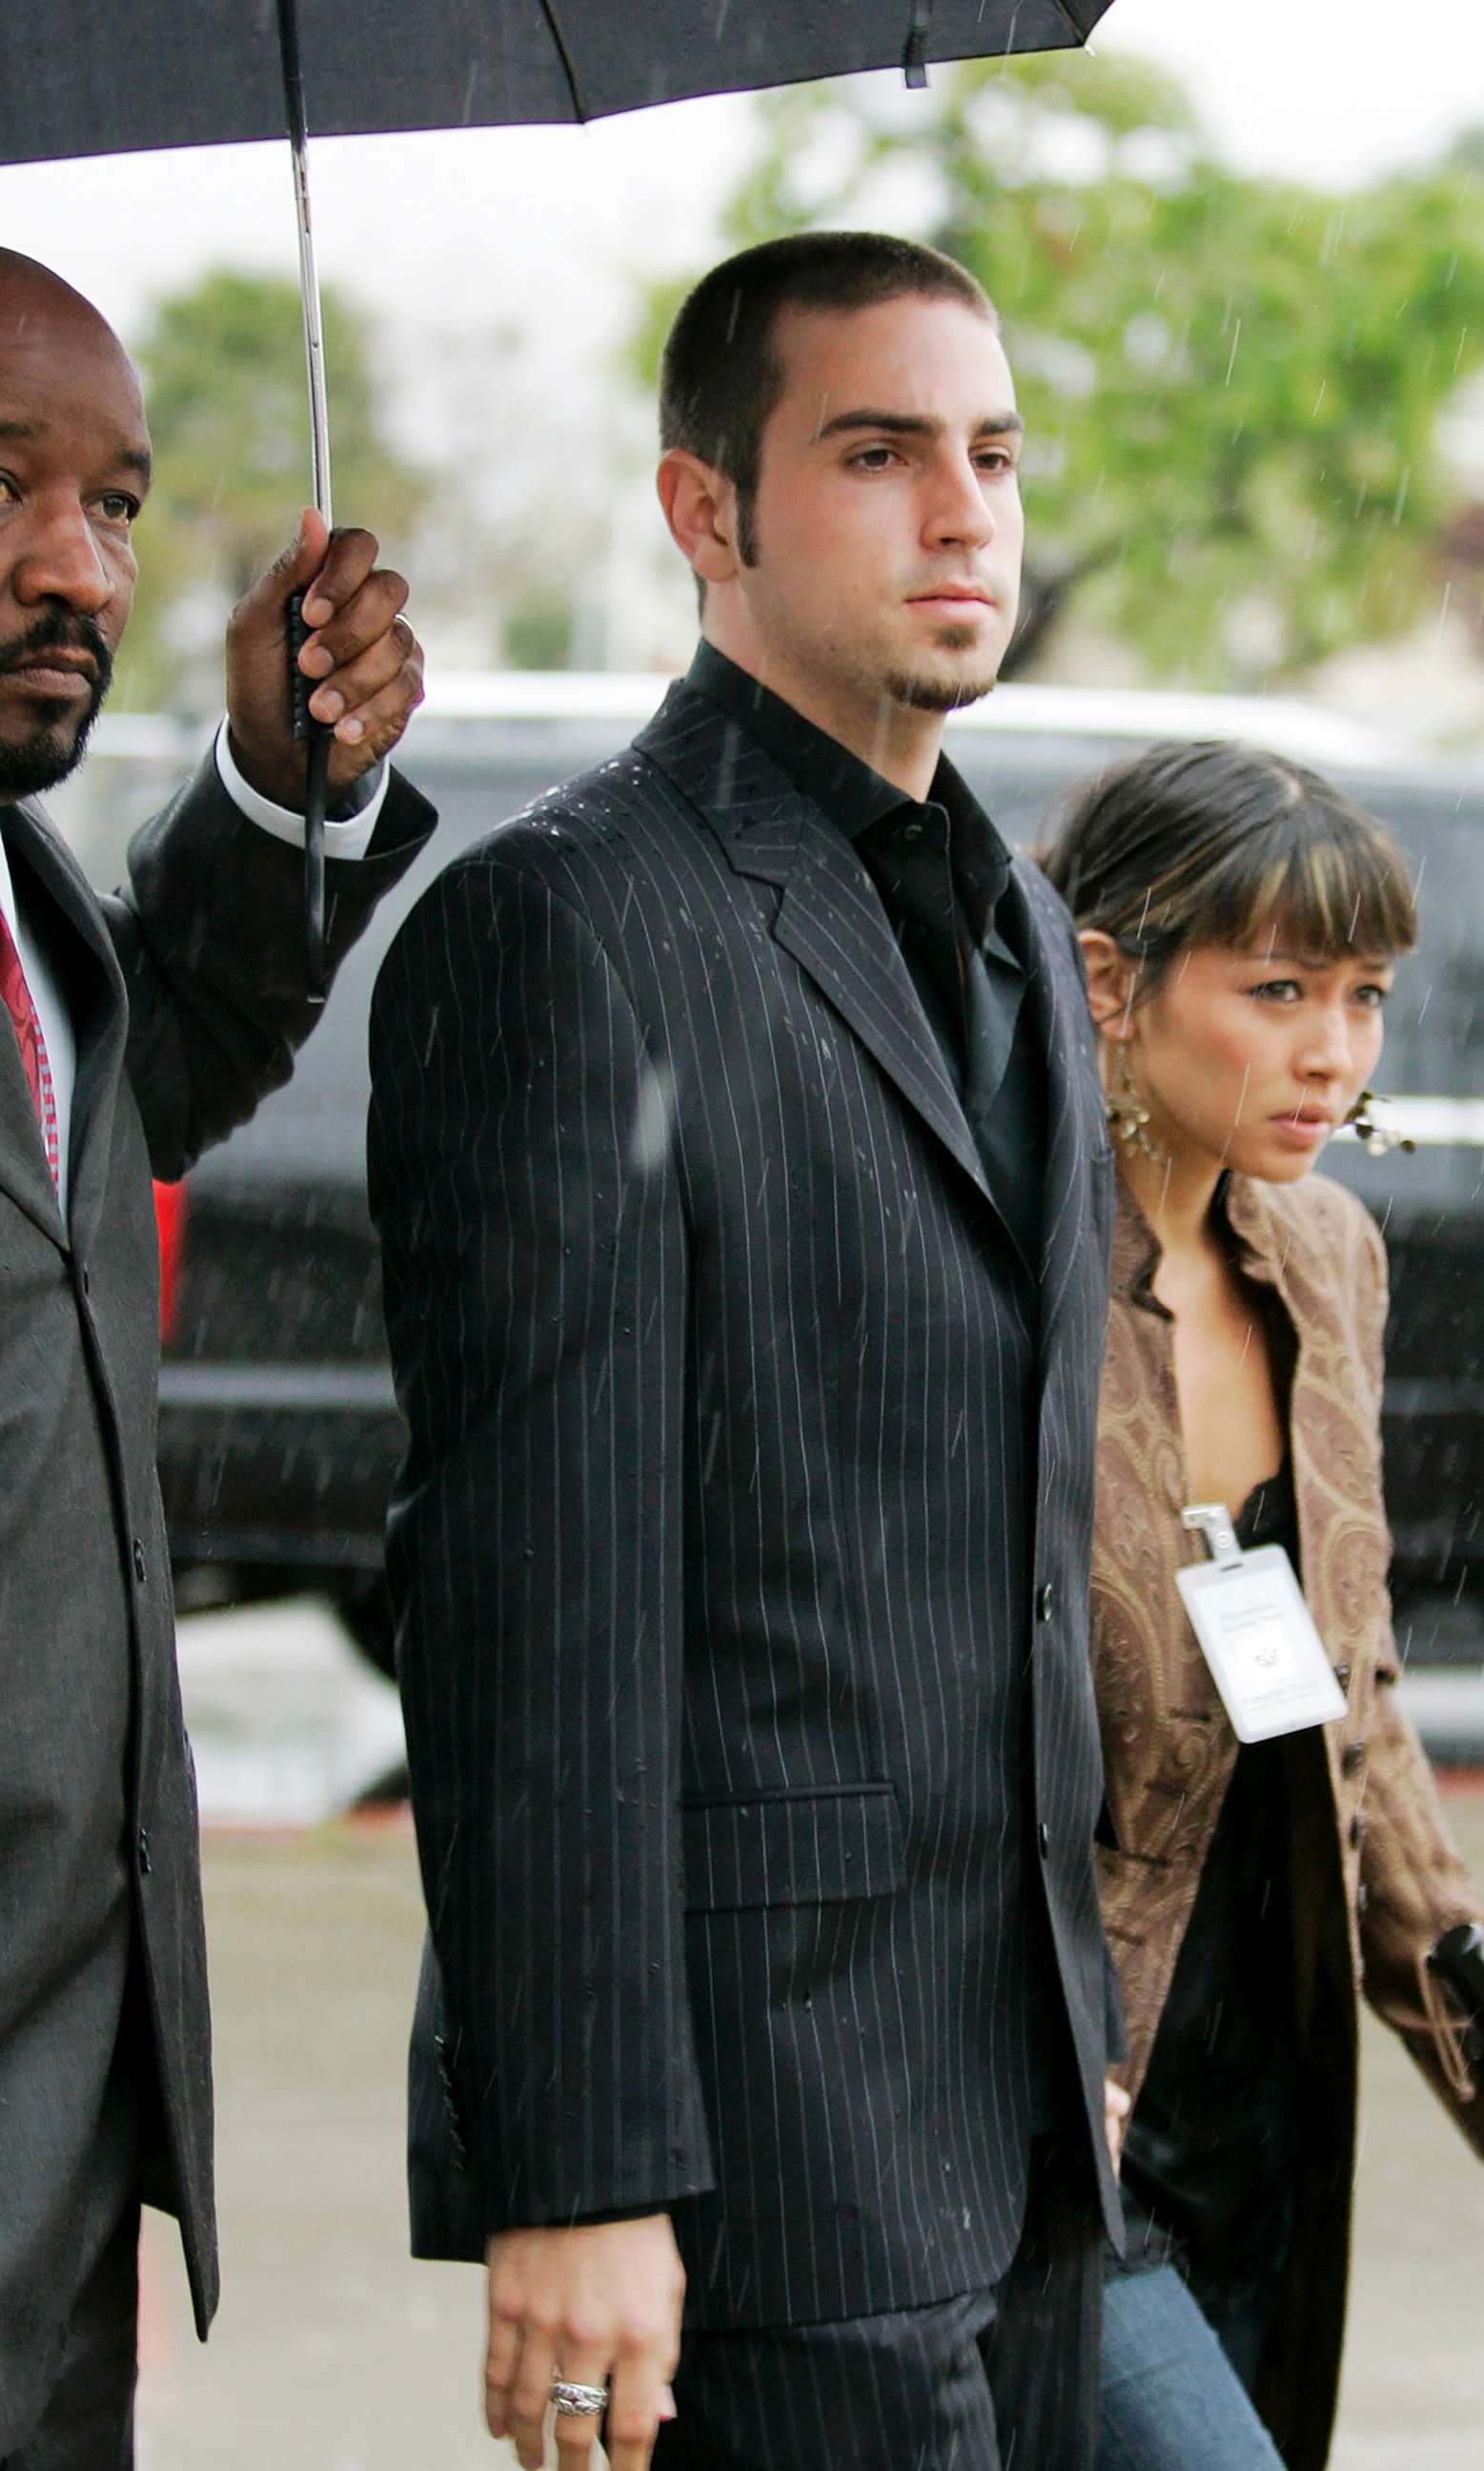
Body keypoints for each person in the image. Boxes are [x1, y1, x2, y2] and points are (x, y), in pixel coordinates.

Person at [368, 231, 1126, 2471]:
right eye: (876, 453)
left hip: (1023, 2138)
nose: (962, 511)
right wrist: (581, 2169)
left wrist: (1064, 2005)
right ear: (707, 512)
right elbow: (531, 1614)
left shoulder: (1012, 921)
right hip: (758, 2166)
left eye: (989, 453)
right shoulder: (564, 930)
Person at [1040, 740, 1484, 2471]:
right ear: (1110, 980)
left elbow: (1344, 1706)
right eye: (1280, 987)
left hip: (1255, 2076)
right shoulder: (989, 1273)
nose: (1337, 1050)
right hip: (1039, 2095)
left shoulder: (1325, 1258)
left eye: (1366, 994)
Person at [0, 248, 434, 2468]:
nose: (75, 567)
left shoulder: (28, 900)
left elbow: (155, 1067)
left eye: (120, 506)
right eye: (4, 485)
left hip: (66, 2091)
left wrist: (281, 782)